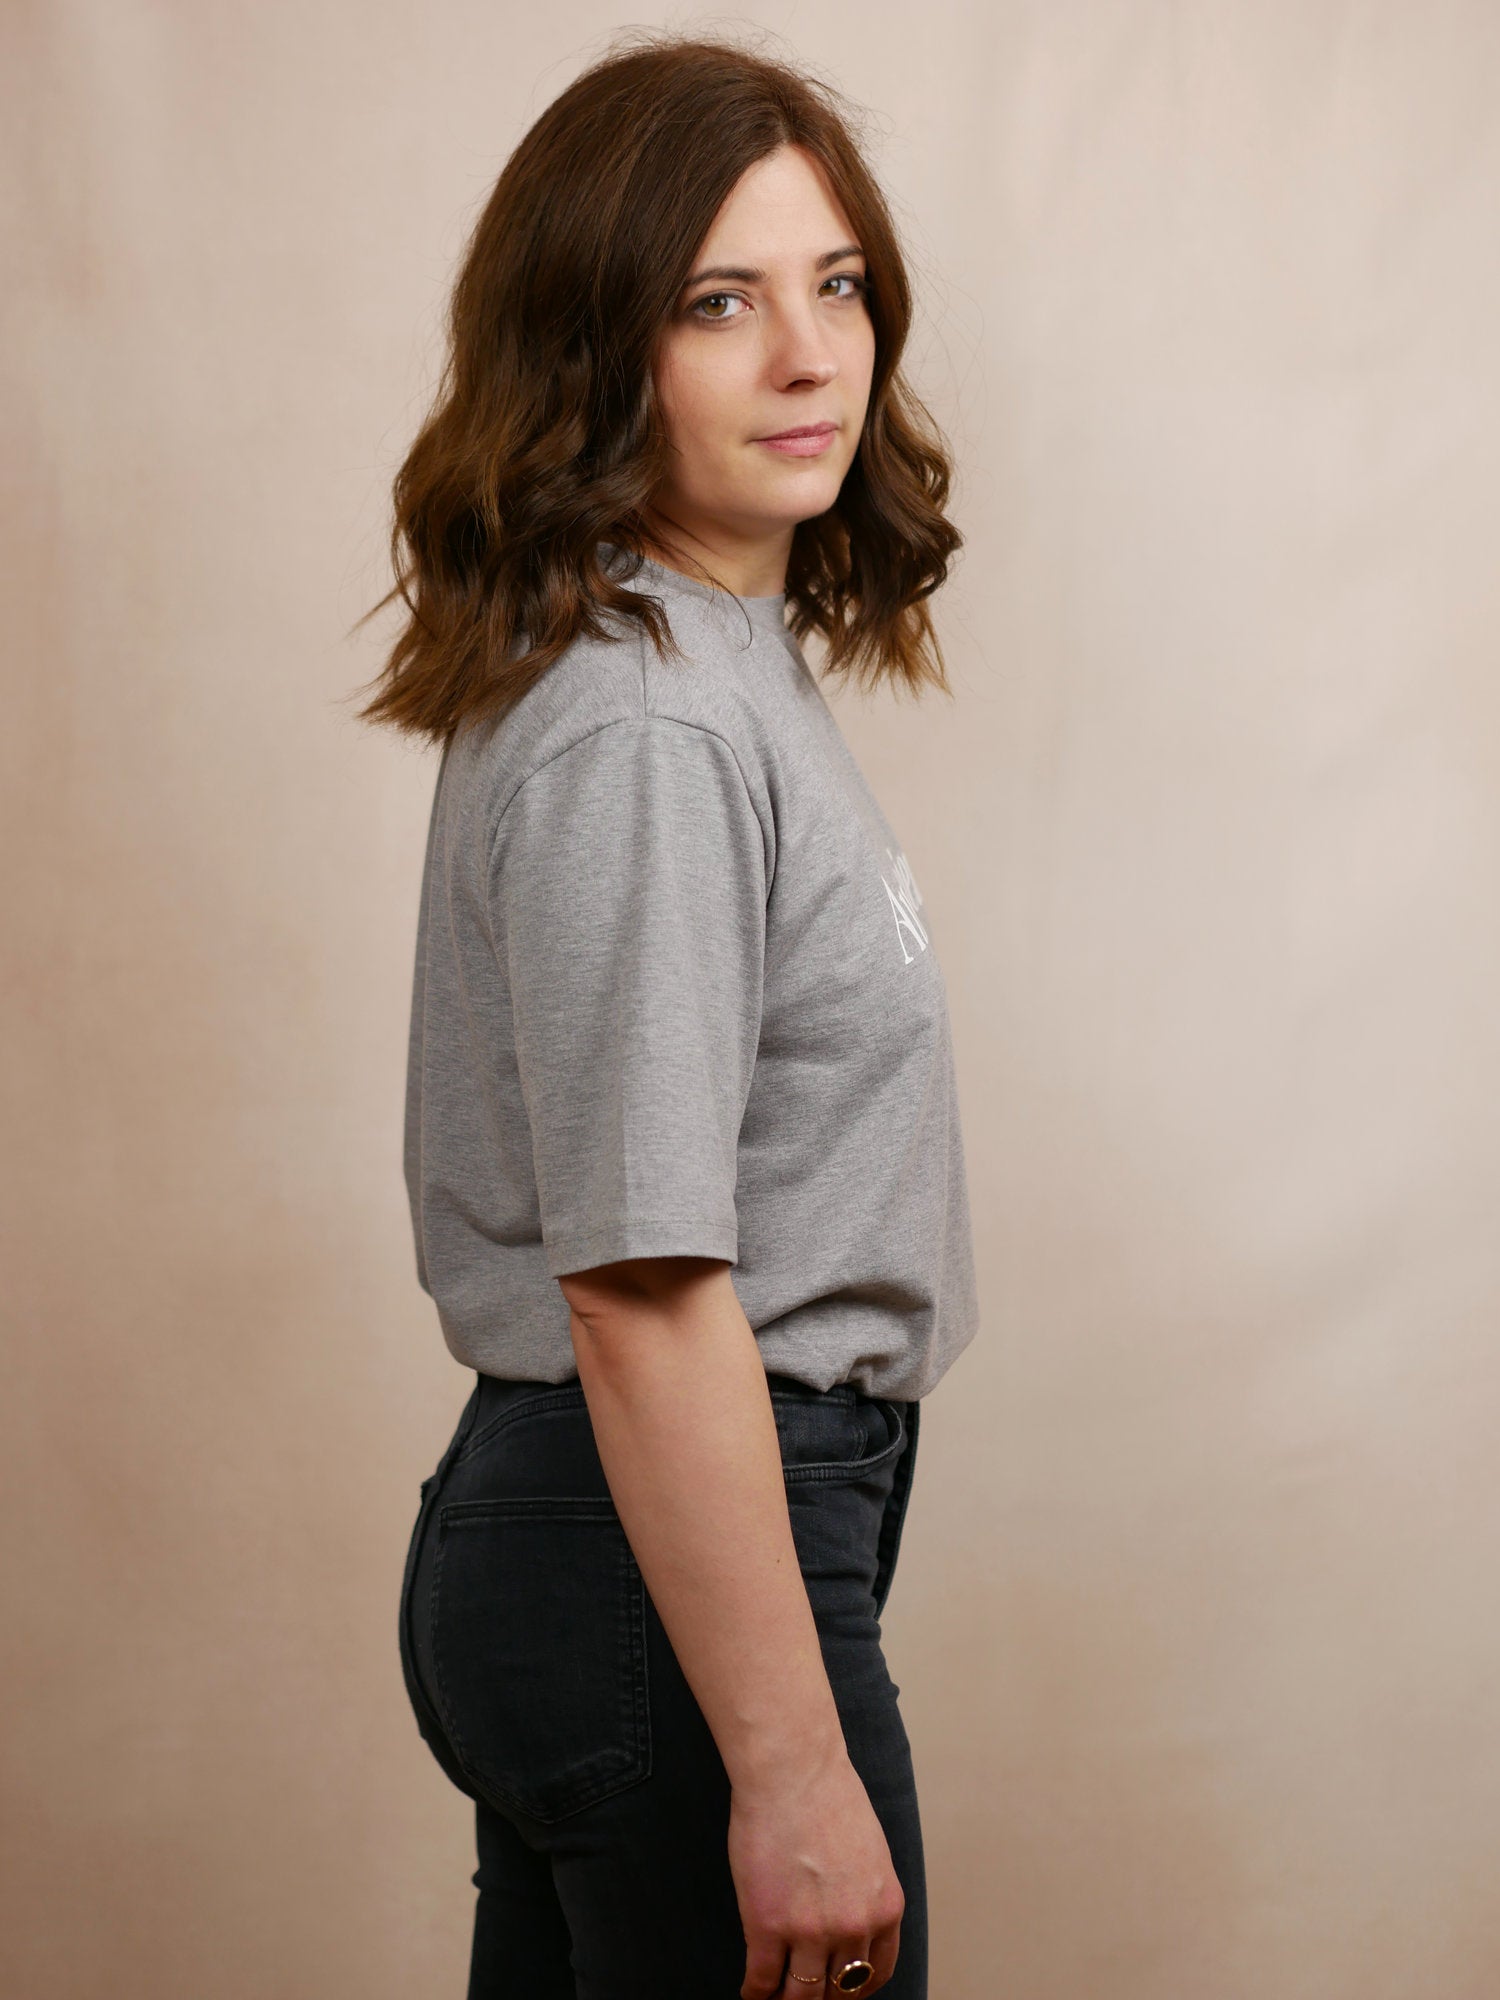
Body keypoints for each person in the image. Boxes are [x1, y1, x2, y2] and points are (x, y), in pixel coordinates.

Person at [354, 29, 979, 2000]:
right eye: (718, 302)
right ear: (591, 347)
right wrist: (787, 1768)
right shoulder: (647, 721)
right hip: (662, 1553)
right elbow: (637, 1287)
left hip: (640, 1549)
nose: (806, 355)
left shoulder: (702, 661)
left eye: (836, 285)